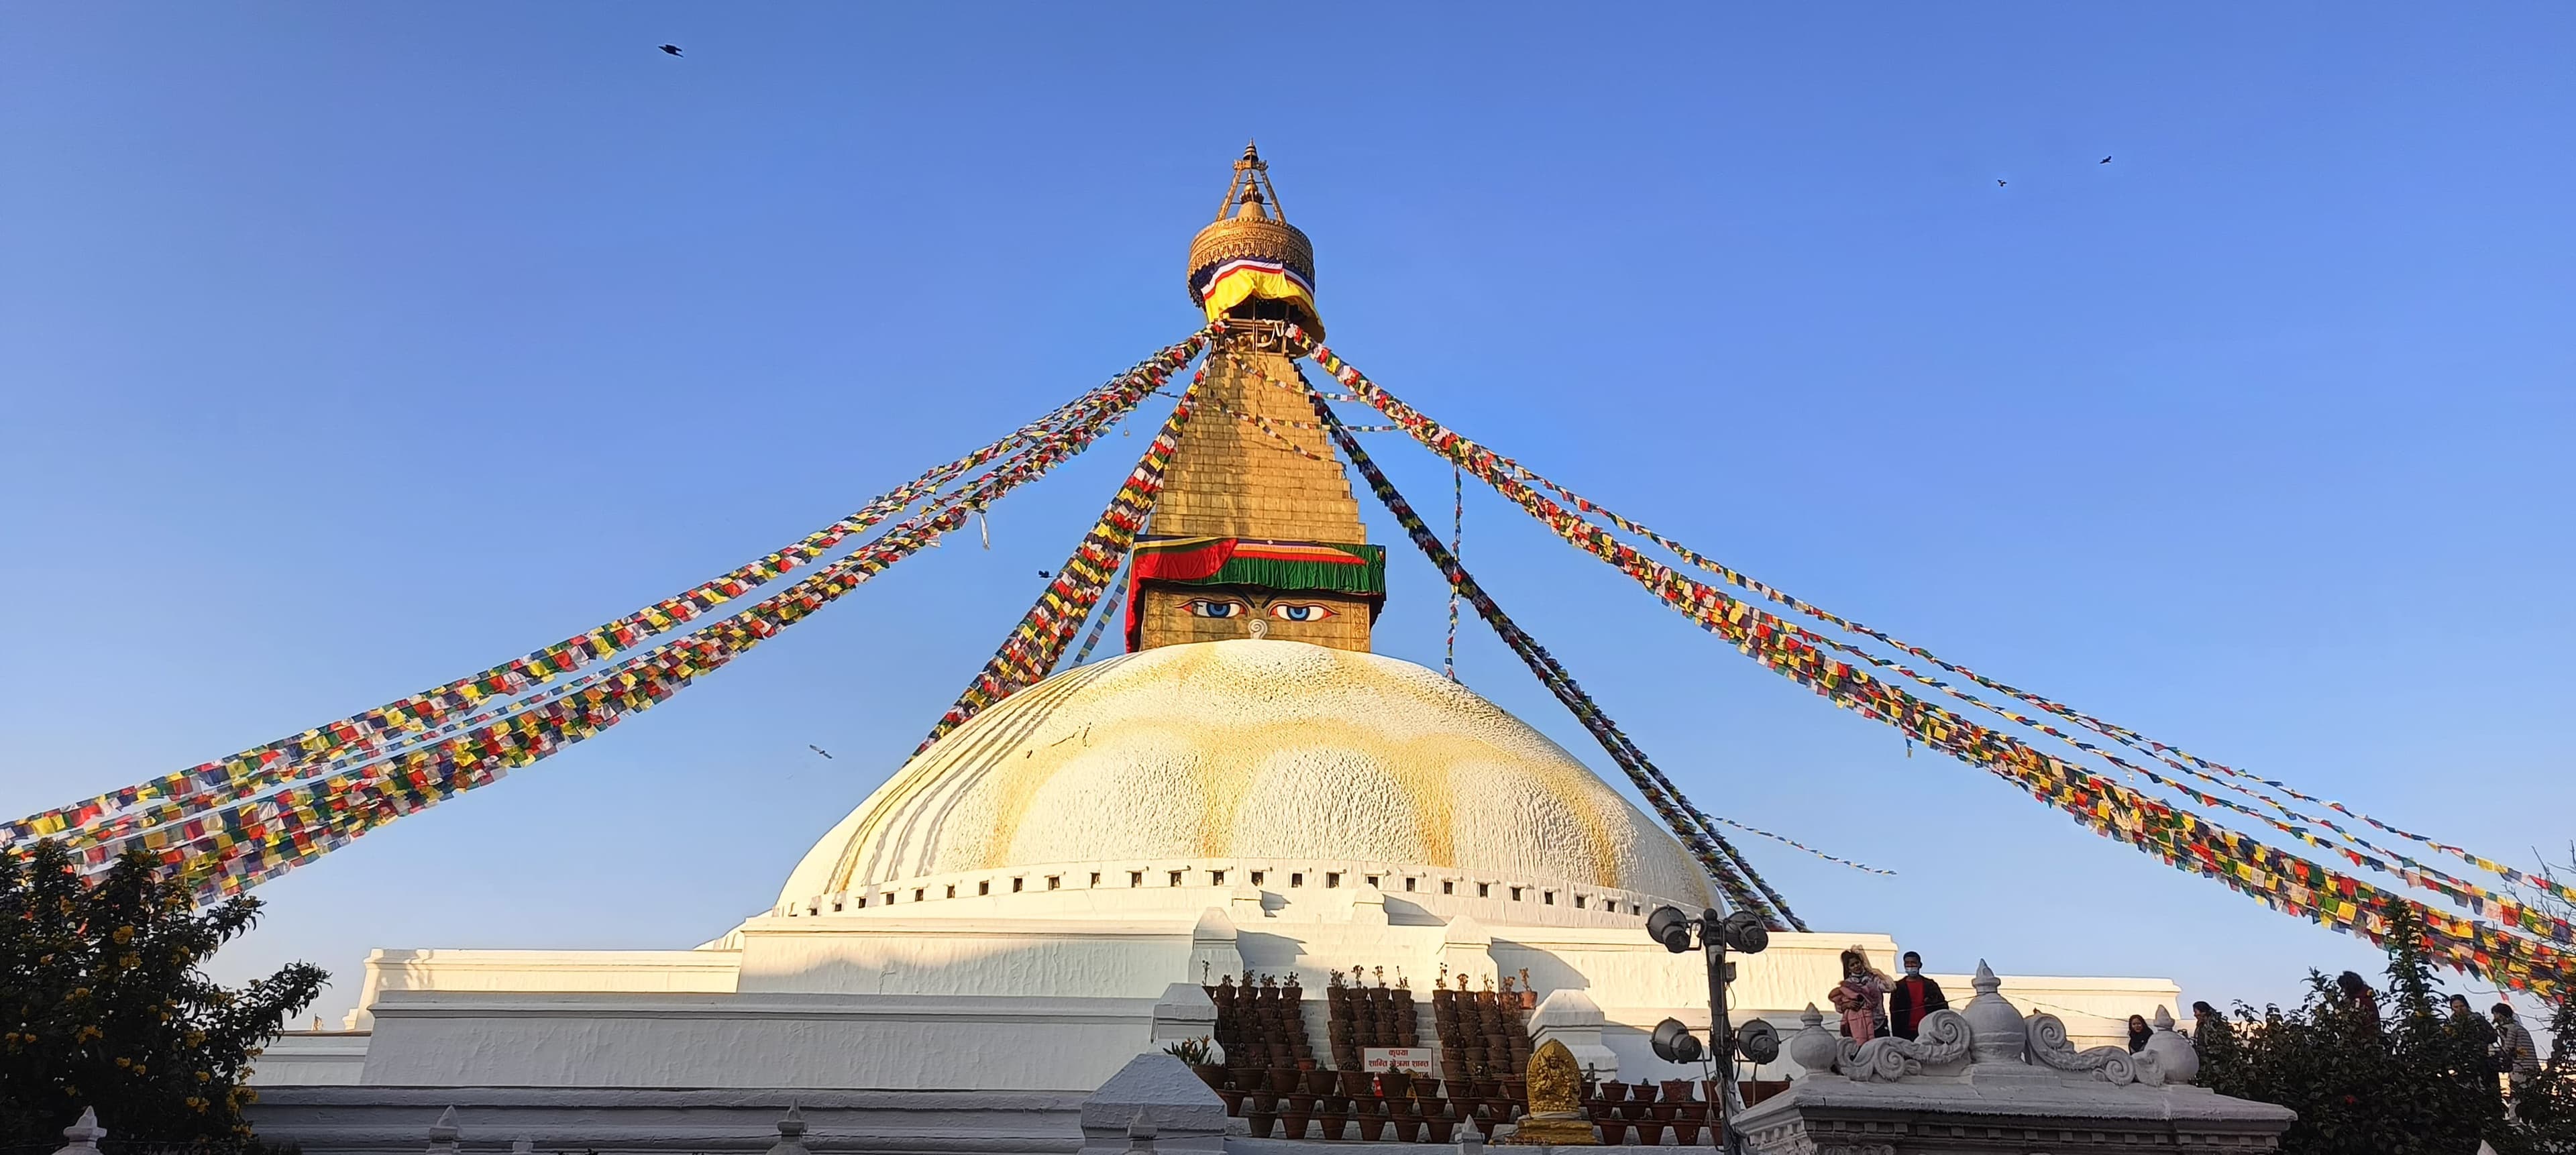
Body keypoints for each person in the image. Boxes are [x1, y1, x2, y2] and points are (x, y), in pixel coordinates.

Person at [1827, 948, 1891, 1042]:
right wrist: (1847, 1005)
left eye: (1857, 963)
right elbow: (1839, 1007)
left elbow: (1890, 988)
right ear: (1848, 969)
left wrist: (1879, 973)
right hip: (1859, 1026)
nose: (1856, 966)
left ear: (1862, 963)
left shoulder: (1873, 979)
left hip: (1878, 1023)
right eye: (1852, 965)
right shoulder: (1847, 985)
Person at [1886, 951, 1948, 1040]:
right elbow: (1894, 1012)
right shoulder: (1898, 987)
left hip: (1929, 1031)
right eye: (1907, 963)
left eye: (1913, 963)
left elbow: (1943, 1006)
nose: (1910, 966)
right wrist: (1897, 1036)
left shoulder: (1930, 985)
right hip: (1905, 1032)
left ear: (1920, 965)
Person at [2495, 1003, 2542, 1103]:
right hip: (2531, 1068)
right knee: (2529, 1099)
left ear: (2499, 1015)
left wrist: (2494, 1054)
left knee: (2517, 1099)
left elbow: (2508, 1049)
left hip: (2521, 1068)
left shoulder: (2509, 1029)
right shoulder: (2519, 1027)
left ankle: (2513, 1119)